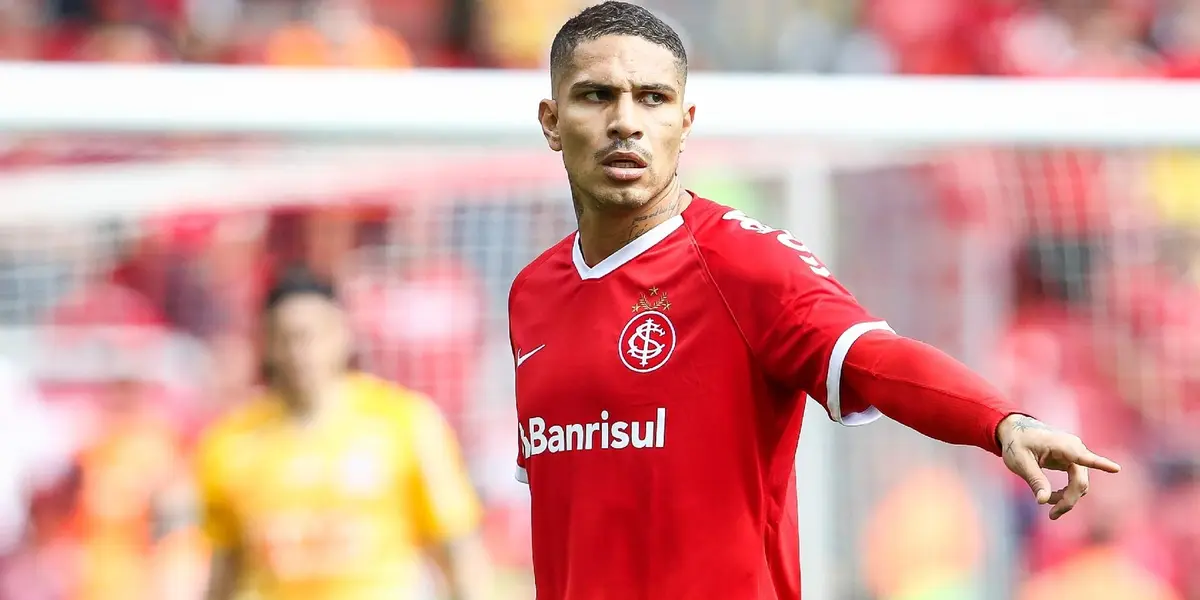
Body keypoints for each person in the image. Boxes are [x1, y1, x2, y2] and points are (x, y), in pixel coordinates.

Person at [507, 2, 1122, 599]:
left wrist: (999, 420)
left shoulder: (741, 262)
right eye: (596, 95)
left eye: (653, 98)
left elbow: (874, 359)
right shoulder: (531, 295)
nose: (626, 121)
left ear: (685, 122)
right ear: (551, 119)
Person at [195, 267, 489, 600]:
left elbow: (456, 549)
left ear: (343, 334)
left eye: (311, 335)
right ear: (268, 345)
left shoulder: (405, 422)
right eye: (286, 337)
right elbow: (225, 568)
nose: (299, 352)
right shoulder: (231, 443)